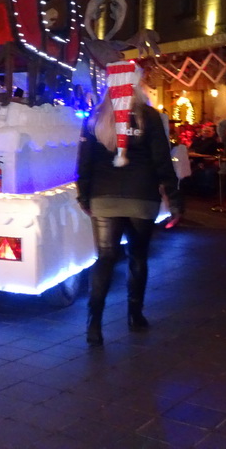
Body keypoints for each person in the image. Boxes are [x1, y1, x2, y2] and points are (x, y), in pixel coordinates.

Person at [76, 63, 177, 348]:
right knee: (138, 257)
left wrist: (84, 196)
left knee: (105, 259)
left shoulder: (95, 118)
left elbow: (84, 163)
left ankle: (94, 325)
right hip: (142, 197)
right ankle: (135, 315)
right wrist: (175, 196)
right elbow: (162, 161)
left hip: (103, 197)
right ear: (135, 84)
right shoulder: (149, 117)